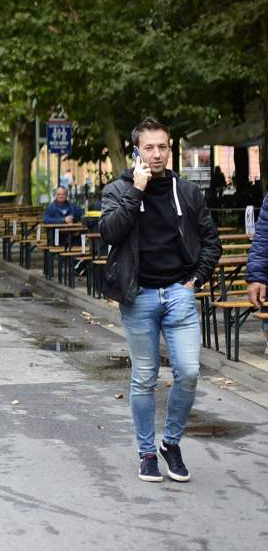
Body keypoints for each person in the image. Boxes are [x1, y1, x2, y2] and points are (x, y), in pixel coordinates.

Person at [99, 117, 221, 483]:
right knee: (144, 378)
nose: (156, 154)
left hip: (179, 294)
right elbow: (109, 232)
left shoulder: (186, 192)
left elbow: (210, 241)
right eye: (149, 147)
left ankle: (171, 442)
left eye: (162, 147)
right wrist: (136, 190)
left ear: (170, 149)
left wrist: (195, 281)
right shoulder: (117, 190)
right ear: (136, 150)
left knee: (189, 372)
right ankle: (146, 452)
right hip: (138, 297)